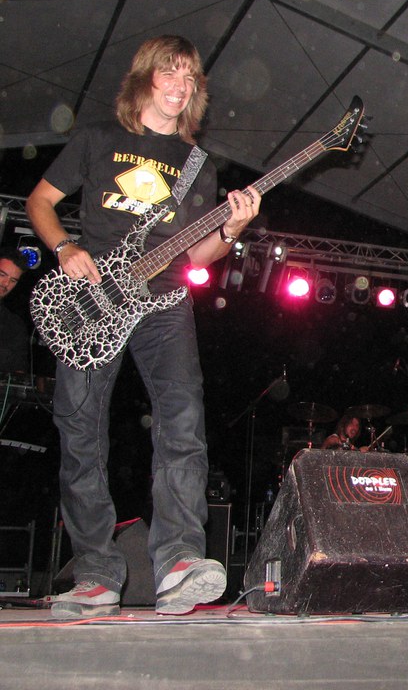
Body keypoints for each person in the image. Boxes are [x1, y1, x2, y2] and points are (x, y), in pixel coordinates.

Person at [26, 35, 261, 619]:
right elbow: (39, 202)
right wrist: (65, 248)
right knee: (80, 429)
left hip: (165, 301)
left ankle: (179, 561)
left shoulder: (197, 165)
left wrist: (231, 231)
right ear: (145, 78)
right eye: (170, 74)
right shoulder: (97, 139)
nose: (181, 87)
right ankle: (96, 573)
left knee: (183, 421)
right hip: (91, 297)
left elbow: (197, 255)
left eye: (190, 78)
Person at [0, 248, 30, 374]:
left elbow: (18, 372)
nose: (6, 284)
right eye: (2, 275)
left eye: (13, 280)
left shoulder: (14, 326)